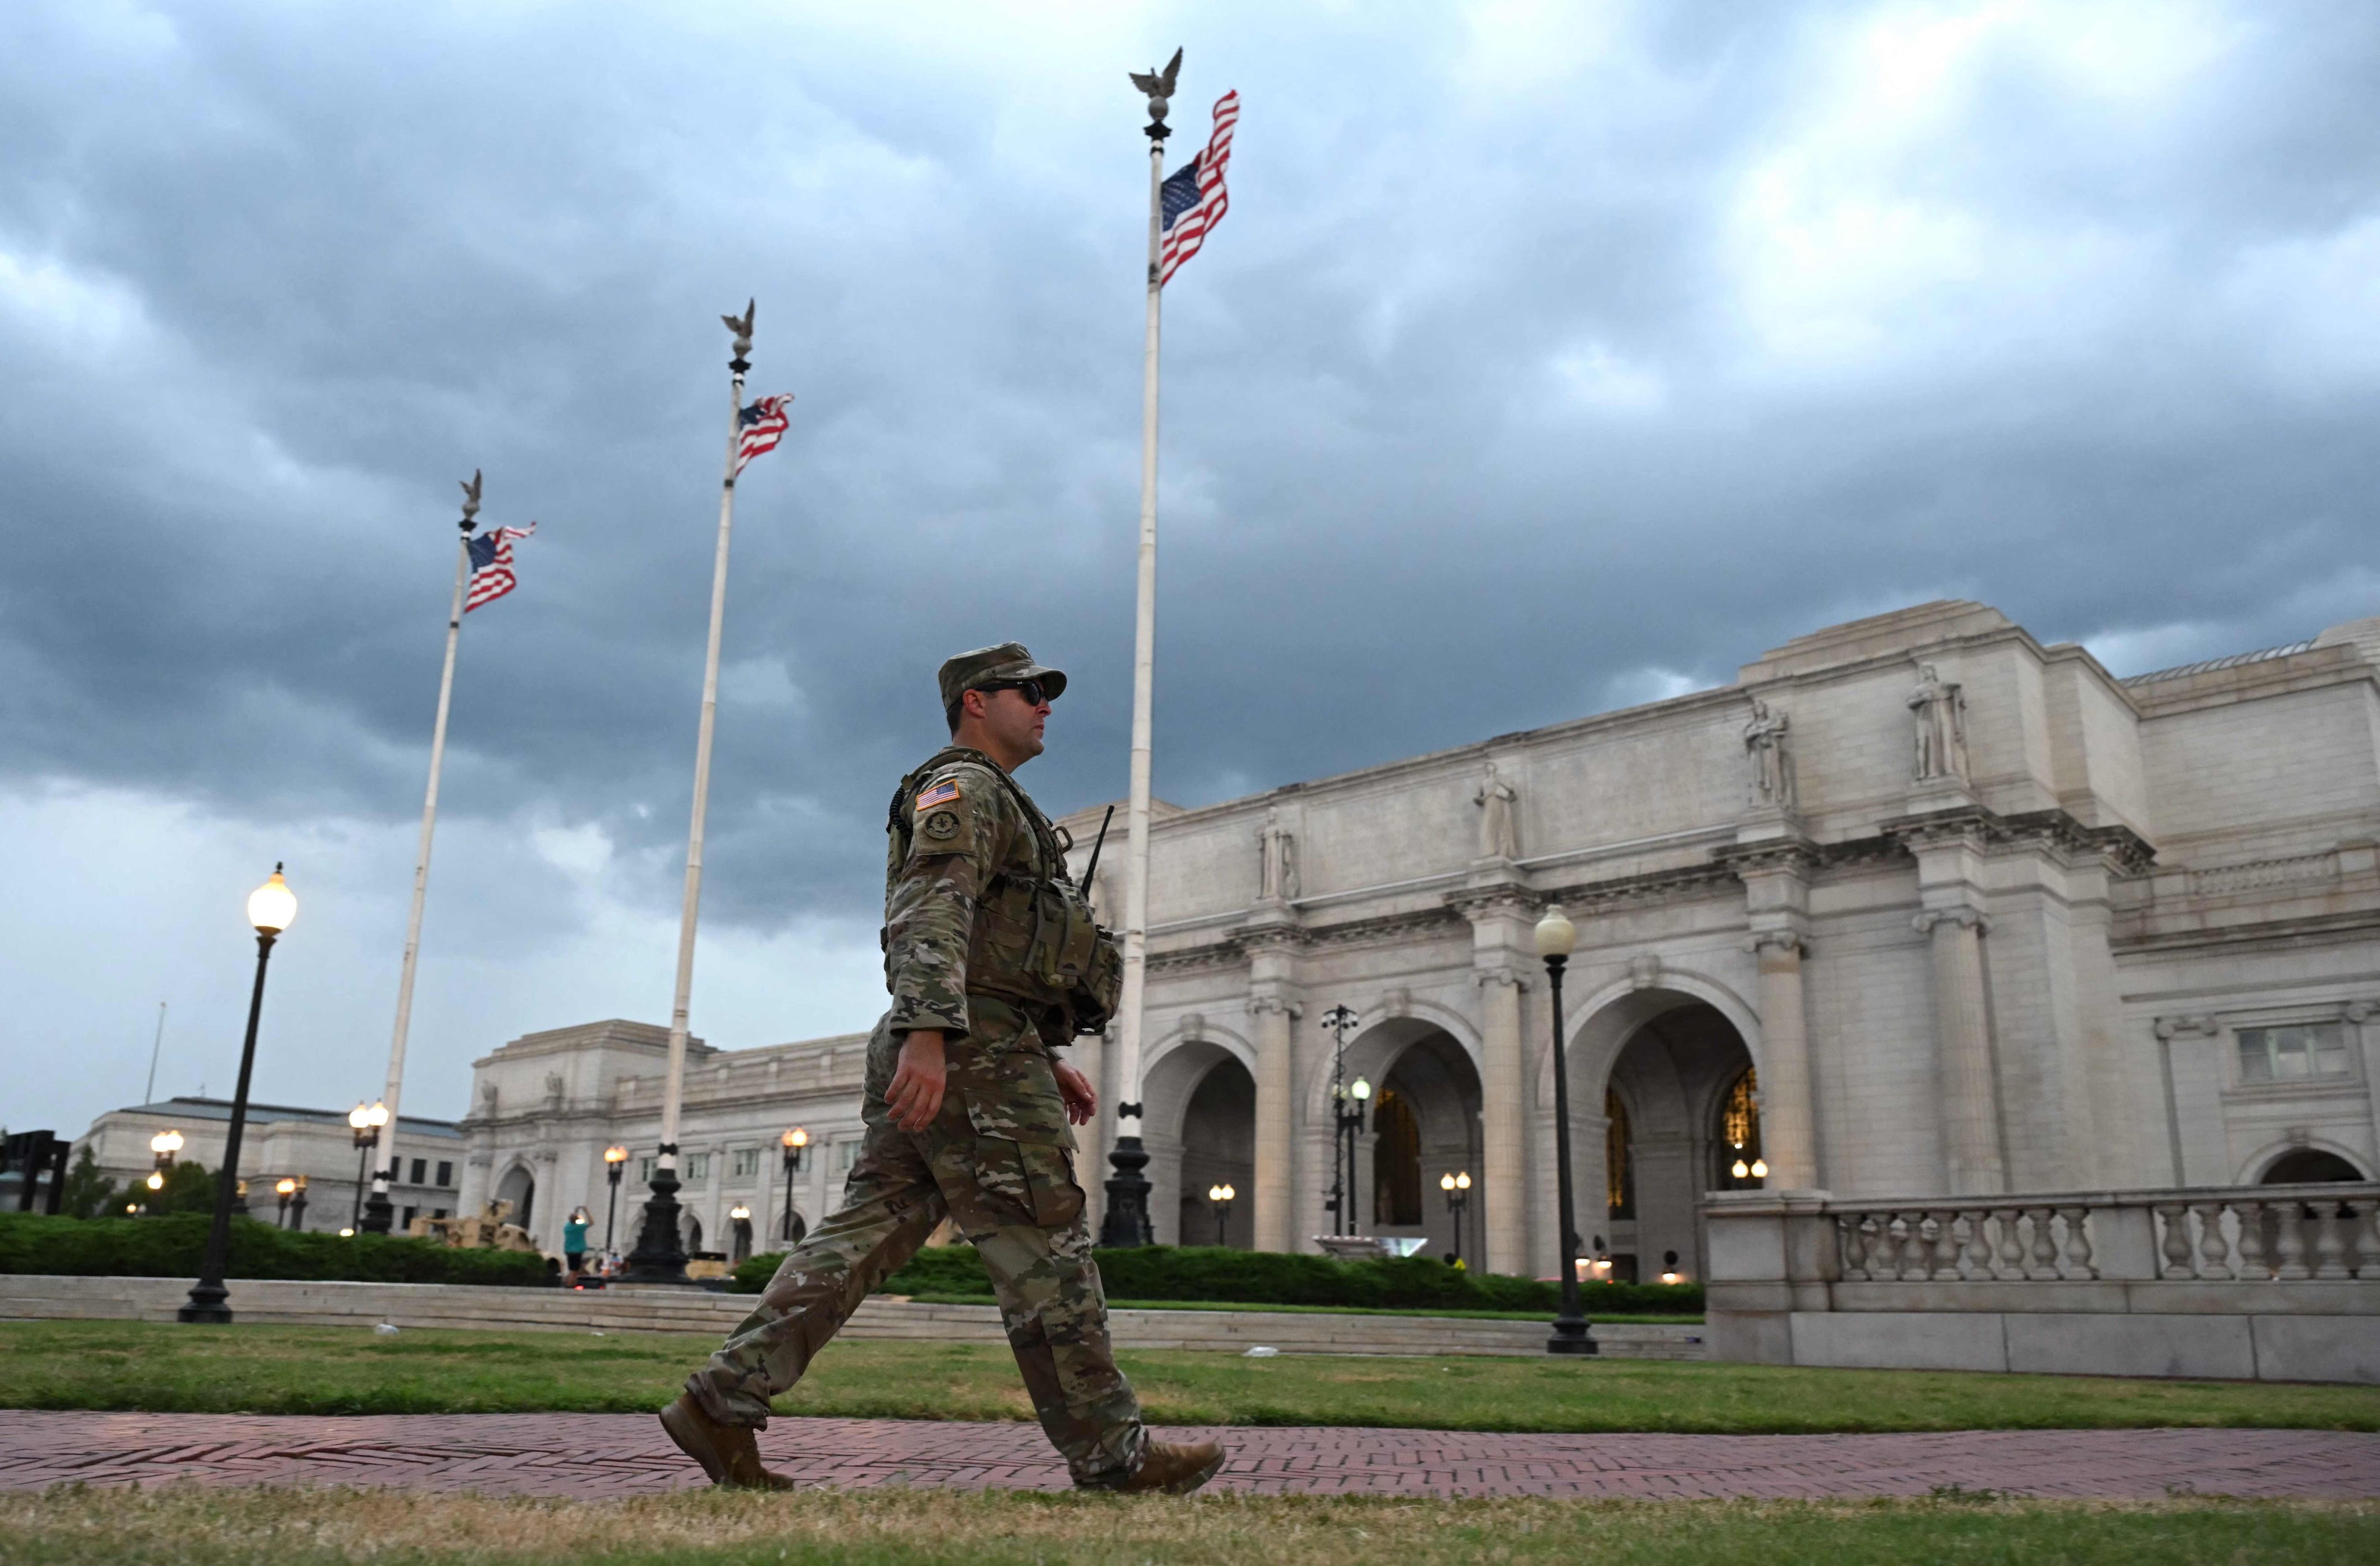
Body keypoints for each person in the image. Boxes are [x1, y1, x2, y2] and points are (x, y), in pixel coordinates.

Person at [659, 643, 1224, 1495]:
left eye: (1047, 693)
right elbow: (930, 906)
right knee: (1046, 1245)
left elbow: (1005, 946)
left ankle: (722, 1398)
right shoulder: (962, 788)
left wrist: (1038, 1047)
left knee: (863, 1236)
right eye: (1029, 691)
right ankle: (1114, 1454)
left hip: (981, 1040)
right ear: (974, 700)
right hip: (966, 1048)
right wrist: (934, 1032)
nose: (1045, 705)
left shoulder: (1000, 797)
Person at [564, 1207, 591, 1274]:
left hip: (568, 1250)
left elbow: (573, 1219)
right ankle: (570, 1285)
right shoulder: (579, 1227)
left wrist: (576, 1212)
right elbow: (591, 1222)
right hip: (577, 1251)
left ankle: (571, 1284)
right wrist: (586, 1211)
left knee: (572, 1270)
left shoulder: (567, 1226)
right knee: (574, 1271)